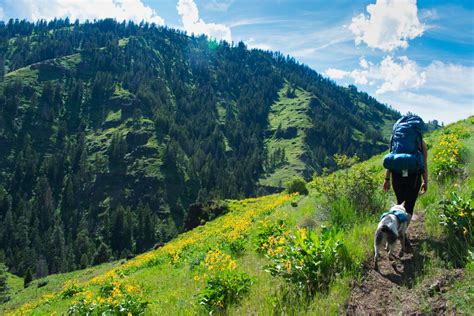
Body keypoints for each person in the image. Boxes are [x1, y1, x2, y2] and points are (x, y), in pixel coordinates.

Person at [383, 136, 428, 216]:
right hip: (414, 177)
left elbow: (392, 159)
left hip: (397, 176)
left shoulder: (395, 139)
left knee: (400, 204)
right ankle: (404, 226)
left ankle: (398, 225)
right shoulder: (420, 141)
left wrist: (387, 179)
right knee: (409, 206)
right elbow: (424, 163)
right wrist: (425, 181)